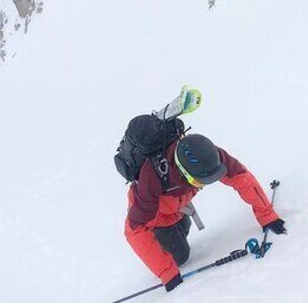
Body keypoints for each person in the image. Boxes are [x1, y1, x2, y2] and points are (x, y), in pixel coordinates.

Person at [122, 124, 286, 292]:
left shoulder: (207, 155)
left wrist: (267, 215)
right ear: (183, 173)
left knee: (183, 228)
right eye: (199, 182)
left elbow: (241, 178)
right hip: (154, 215)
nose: (203, 185)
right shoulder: (152, 180)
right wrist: (168, 273)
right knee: (181, 256)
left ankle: (173, 232)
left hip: (178, 205)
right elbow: (134, 231)